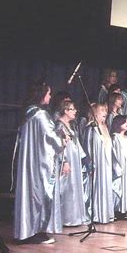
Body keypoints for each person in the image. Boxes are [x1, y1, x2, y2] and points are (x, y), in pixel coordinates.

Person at [14, 81, 69, 244]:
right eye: (48, 93)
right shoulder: (40, 115)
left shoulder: (28, 114)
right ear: (41, 95)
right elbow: (52, 137)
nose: (50, 96)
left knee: (31, 194)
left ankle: (27, 230)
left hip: (31, 161)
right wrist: (62, 139)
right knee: (40, 194)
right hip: (40, 163)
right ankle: (35, 230)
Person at [55, 99, 89, 227]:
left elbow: (76, 143)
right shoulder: (59, 126)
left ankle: (76, 217)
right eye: (72, 109)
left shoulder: (71, 125)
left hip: (75, 161)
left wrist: (84, 158)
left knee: (74, 187)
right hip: (66, 161)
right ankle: (66, 218)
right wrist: (64, 161)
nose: (75, 111)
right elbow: (58, 146)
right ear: (65, 110)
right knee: (67, 188)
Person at [84, 103, 114, 224]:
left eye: (106, 110)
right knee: (97, 186)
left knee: (106, 185)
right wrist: (90, 163)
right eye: (102, 110)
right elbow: (87, 147)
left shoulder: (106, 127)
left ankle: (106, 214)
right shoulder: (91, 128)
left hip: (107, 162)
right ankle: (96, 214)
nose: (105, 112)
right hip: (97, 163)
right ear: (95, 112)